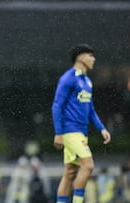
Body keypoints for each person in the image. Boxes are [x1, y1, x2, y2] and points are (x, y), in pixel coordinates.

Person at [52, 44, 111, 203]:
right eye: (90, 55)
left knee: (70, 173)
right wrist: (58, 132)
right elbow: (57, 105)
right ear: (81, 58)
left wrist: (101, 128)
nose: (94, 59)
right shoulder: (68, 78)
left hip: (81, 132)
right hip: (71, 131)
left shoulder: (87, 82)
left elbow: (90, 109)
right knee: (88, 166)